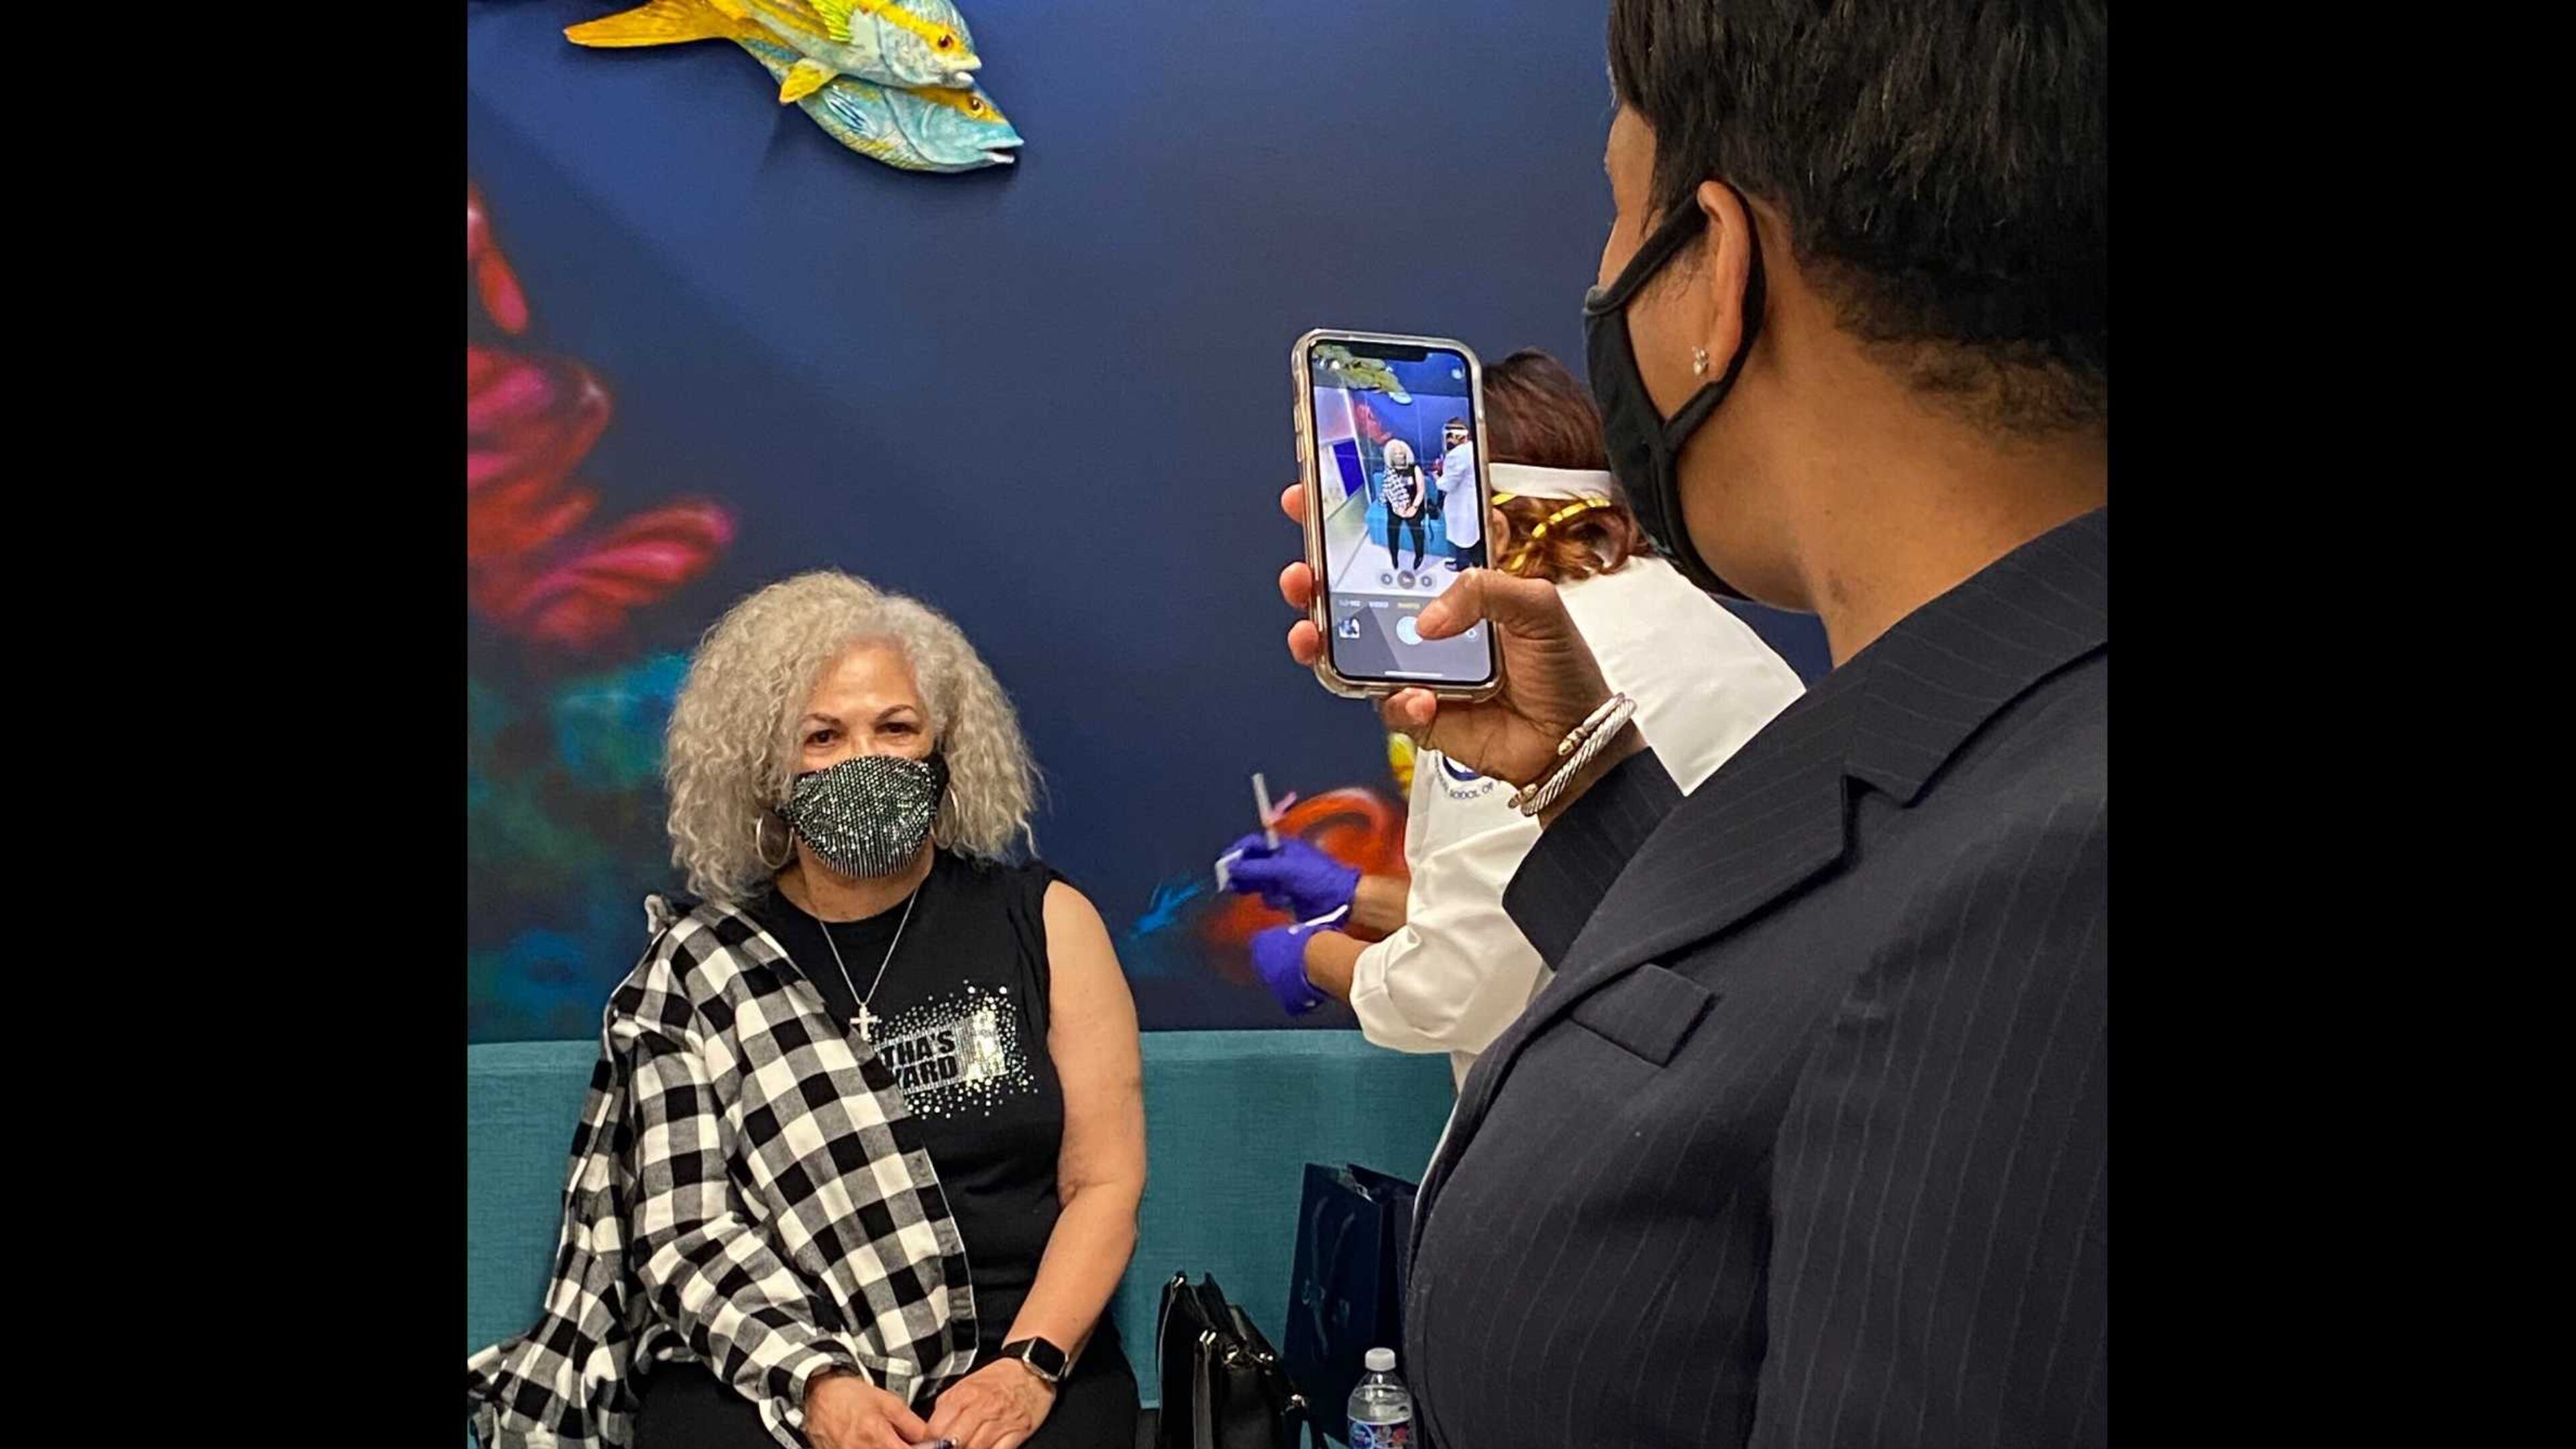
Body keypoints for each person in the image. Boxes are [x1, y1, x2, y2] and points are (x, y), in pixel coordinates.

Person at [1266, 2, 2107, 1445]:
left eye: (1617, 215)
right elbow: (1782, 1017)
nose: (1603, 282)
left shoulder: (2049, 892)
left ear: (1717, 266)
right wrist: (1582, 778)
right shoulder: (1976, 725)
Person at [469, 572, 1146, 1449]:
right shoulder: (699, 968)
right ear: (767, 769)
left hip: (1019, 1348)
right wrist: (816, 1384)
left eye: (896, 728)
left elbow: (1103, 1184)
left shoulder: (1046, 922)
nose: (865, 760)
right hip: (770, 1359)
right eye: (822, 736)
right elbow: (685, 1235)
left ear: (945, 745)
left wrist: (1029, 1368)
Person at [1217, 349, 1801, 1090]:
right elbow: (1573, 908)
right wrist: (1355, 895)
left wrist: (1309, 957)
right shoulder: (1687, 616)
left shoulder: (1514, 670)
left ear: (1481, 524)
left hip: (1619, 1107)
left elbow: (1460, 988)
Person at [1434, 416, 1481, 570]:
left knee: (1463, 536)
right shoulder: (1474, 448)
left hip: (1461, 502)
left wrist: (1437, 479)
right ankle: (1476, 563)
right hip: (1473, 498)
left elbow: (1448, 485)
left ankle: (1462, 565)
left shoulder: (1456, 455)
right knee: (1474, 534)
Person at [1377, 437, 1428, 572]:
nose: (1399, 456)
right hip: (1395, 507)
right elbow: (1388, 492)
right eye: (1396, 454)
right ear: (1391, 456)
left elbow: (1421, 491)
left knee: (1416, 530)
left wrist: (1413, 508)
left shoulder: (1415, 469)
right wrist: (1397, 508)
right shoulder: (1389, 471)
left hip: (1414, 505)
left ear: (1406, 454)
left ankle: (1419, 555)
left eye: (1401, 453)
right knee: (1392, 530)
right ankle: (1394, 556)